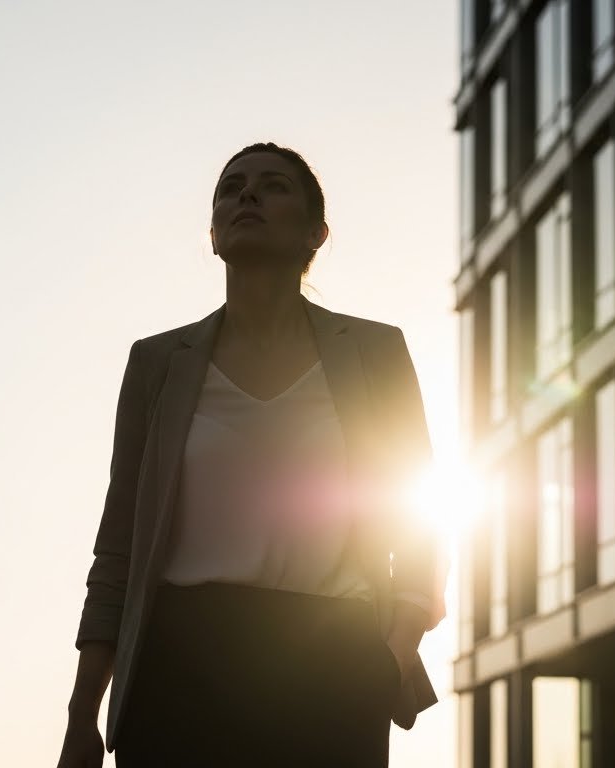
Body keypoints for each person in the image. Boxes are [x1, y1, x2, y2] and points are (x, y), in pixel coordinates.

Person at [56, 143, 446, 767]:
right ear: (213, 234)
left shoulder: (375, 352)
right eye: (231, 187)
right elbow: (119, 550)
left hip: (332, 666)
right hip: (178, 667)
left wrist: (393, 650)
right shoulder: (157, 364)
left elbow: (420, 526)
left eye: (273, 186)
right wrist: (82, 717)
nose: (247, 195)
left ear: (316, 232)